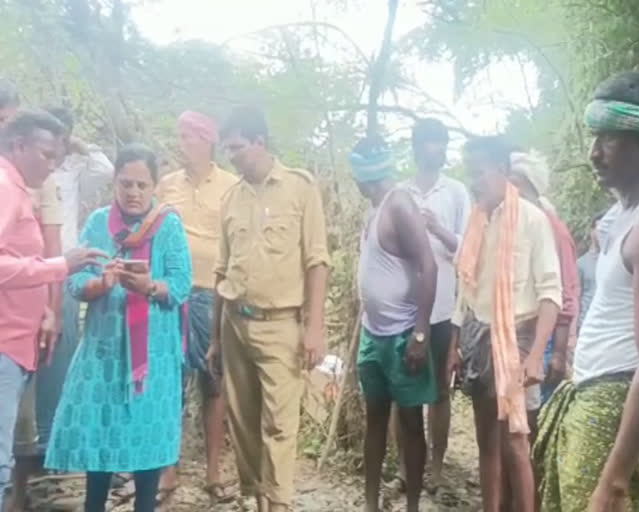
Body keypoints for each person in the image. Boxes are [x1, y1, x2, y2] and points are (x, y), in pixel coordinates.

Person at [534, 71, 639, 511]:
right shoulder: (622, 217)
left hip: (616, 407)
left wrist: (615, 483)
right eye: (594, 138)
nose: (594, 152)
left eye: (609, 139)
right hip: (593, 398)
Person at [44, 144, 191, 512]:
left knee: (147, 438)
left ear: (154, 185)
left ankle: (144, 505)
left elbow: (182, 284)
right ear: (115, 183)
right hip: (104, 352)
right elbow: (76, 283)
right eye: (126, 184)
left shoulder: (168, 225)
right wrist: (102, 284)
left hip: (152, 356)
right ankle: (94, 505)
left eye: (142, 185)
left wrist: (150, 287)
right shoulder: (98, 223)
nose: (134, 192)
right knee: (101, 437)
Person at [212, 107, 330, 512]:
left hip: (281, 324)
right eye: (228, 150)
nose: (233, 157)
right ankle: (255, 496)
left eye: (238, 148)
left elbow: (317, 261)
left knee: (280, 423)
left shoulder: (300, 188)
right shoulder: (230, 197)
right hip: (234, 324)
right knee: (244, 421)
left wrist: (314, 327)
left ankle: (279, 503)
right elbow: (220, 272)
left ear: (260, 143)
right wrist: (214, 338)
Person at [446, 135, 562, 512]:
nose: (474, 181)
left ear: (502, 170)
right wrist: (454, 344)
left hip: (517, 338)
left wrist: (536, 357)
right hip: (479, 336)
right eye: (470, 173)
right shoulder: (477, 221)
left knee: (515, 440)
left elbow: (551, 294)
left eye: (479, 172)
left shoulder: (532, 219)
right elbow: (465, 290)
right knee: (486, 439)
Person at [8, 105, 114, 512]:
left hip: (58, 276)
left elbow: (104, 169)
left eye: (61, 144)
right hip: (32, 276)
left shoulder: (66, 173)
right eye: (49, 148)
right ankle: (26, 455)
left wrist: (78, 144)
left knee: (58, 356)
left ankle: (50, 448)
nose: (54, 156)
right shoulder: (17, 180)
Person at [351, 135, 438, 512]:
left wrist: (421, 332)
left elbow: (428, 264)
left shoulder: (399, 202)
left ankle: (413, 506)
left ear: (362, 177)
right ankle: (370, 503)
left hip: (404, 334)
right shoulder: (374, 211)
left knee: (410, 423)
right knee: (375, 420)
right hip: (374, 334)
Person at [155, 111, 238, 504]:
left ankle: (212, 471)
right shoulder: (167, 185)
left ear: (207, 140)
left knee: (213, 380)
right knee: (171, 379)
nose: (181, 142)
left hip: (212, 293)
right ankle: (167, 469)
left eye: (189, 136)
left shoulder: (230, 186)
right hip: (172, 293)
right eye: (180, 135)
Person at [394, 118, 470, 493]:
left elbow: (470, 248)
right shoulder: (400, 192)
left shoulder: (455, 193)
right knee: (402, 391)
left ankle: (436, 470)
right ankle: (406, 469)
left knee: (441, 391)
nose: (434, 149)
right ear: (417, 146)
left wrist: (439, 229)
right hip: (404, 307)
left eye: (440, 142)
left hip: (443, 308)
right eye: (428, 142)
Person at [504, 150, 580, 408]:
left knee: (534, 415)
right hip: (513, 335)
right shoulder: (510, 225)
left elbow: (566, 294)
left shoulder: (552, 229)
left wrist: (558, 353)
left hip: (543, 340)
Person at [577, 212, 603, 331]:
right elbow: (575, 297)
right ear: (592, 231)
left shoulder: (616, 263)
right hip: (586, 325)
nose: (602, 233)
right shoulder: (581, 263)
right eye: (599, 228)